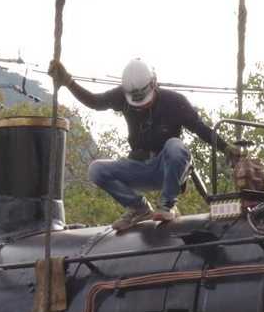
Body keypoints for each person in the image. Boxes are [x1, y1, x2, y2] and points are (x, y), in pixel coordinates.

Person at [48, 58, 241, 229]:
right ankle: (139, 208)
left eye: (145, 101)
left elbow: (201, 129)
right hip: (139, 167)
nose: (141, 106)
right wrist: (69, 82)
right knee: (96, 170)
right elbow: (95, 102)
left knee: (175, 145)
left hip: (167, 168)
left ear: (154, 84)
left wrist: (226, 147)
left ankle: (167, 205)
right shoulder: (122, 96)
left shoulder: (174, 101)